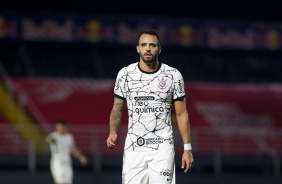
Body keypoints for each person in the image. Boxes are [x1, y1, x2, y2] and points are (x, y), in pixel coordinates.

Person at [106, 30, 194, 184]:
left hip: (162, 147)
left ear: (159, 49)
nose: (148, 48)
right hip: (134, 147)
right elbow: (117, 109)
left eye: (152, 45)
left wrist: (187, 148)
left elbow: (181, 114)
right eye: (144, 45)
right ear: (137, 48)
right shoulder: (125, 74)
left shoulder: (173, 75)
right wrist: (112, 131)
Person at [45, 119, 87, 184]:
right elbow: (48, 140)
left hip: (67, 163)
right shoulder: (54, 136)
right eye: (58, 127)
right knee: (61, 182)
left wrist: (80, 157)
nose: (59, 129)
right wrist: (49, 140)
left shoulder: (69, 137)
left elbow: (73, 149)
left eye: (61, 127)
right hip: (58, 163)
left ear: (65, 127)